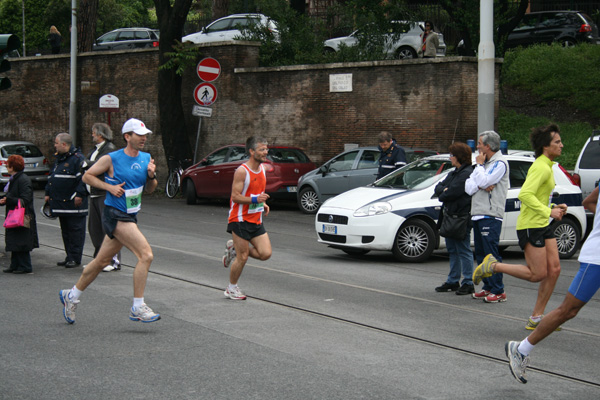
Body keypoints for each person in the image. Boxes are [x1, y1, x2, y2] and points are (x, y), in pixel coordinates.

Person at [59, 118, 160, 324]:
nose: (143, 138)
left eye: (145, 135)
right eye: (139, 135)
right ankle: (138, 306)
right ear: (127, 137)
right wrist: (109, 187)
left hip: (130, 215)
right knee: (146, 255)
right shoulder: (111, 158)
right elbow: (87, 177)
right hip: (115, 214)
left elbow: (150, 189)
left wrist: (151, 175)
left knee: (101, 261)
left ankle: (71, 295)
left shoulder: (146, 157)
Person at [473, 124, 566, 328]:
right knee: (537, 274)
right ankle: (493, 266)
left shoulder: (548, 165)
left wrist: (553, 207)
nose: (561, 145)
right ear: (545, 146)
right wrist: (548, 211)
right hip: (531, 225)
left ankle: (536, 317)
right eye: (557, 142)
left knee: (555, 269)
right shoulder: (540, 166)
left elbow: (538, 197)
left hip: (542, 222)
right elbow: (525, 195)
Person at [505, 186, 600, 384]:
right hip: (596, 258)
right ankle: (521, 349)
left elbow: (589, 202)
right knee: (568, 310)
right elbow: (589, 201)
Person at [222, 136, 272, 300]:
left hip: (256, 218)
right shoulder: (242, 171)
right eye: (262, 149)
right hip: (240, 219)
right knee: (242, 257)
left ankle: (234, 248)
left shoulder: (262, 169)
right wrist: (255, 200)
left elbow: (256, 193)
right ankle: (231, 288)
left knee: (265, 253)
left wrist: (262, 204)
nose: (265, 152)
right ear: (251, 151)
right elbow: (235, 197)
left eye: (266, 149)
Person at [465, 130, 509, 303]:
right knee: (482, 254)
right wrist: (482, 182)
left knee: (491, 254)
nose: (477, 147)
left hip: (490, 214)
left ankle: (499, 290)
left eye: (480, 144)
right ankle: (488, 287)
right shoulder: (485, 164)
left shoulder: (500, 163)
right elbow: (469, 187)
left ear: (488, 146)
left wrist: (480, 171)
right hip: (477, 213)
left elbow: (483, 181)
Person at [434, 142, 474, 295]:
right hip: (450, 215)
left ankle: (468, 281)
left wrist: (444, 192)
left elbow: (452, 192)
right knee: (452, 249)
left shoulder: (466, 173)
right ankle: (453, 280)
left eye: (452, 155)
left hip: (461, 216)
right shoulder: (453, 173)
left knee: (463, 249)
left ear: (459, 157)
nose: (450, 158)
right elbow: (438, 187)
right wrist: (444, 190)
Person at [46, 133, 88, 268]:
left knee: (75, 231)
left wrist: (79, 194)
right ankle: (69, 255)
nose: (55, 145)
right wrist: (48, 192)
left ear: (64, 144)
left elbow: (84, 179)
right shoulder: (60, 159)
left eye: (56, 143)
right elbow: (52, 176)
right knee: (66, 231)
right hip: (61, 203)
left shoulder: (78, 159)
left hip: (74, 204)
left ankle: (75, 258)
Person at [84, 122, 121, 272]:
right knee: (95, 229)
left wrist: (86, 163)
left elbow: (101, 166)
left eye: (93, 132)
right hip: (93, 194)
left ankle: (113, 261)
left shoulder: (109, 150)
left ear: (100, 134)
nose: (92, 135)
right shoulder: (95, 150)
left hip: (104, 194)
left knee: (108, 228)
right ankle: (99, 260)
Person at [1, 155, 39, 274]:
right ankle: (15, 264)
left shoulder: (23, 179)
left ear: (13, 166)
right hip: (15, 214)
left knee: (21, 240)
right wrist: (4, 199)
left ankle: (25, 265)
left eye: (8, 165)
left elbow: (25, 199)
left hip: (22, 215)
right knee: (14, 239)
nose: (6, 166)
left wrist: (8, 200)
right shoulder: (15, 178)